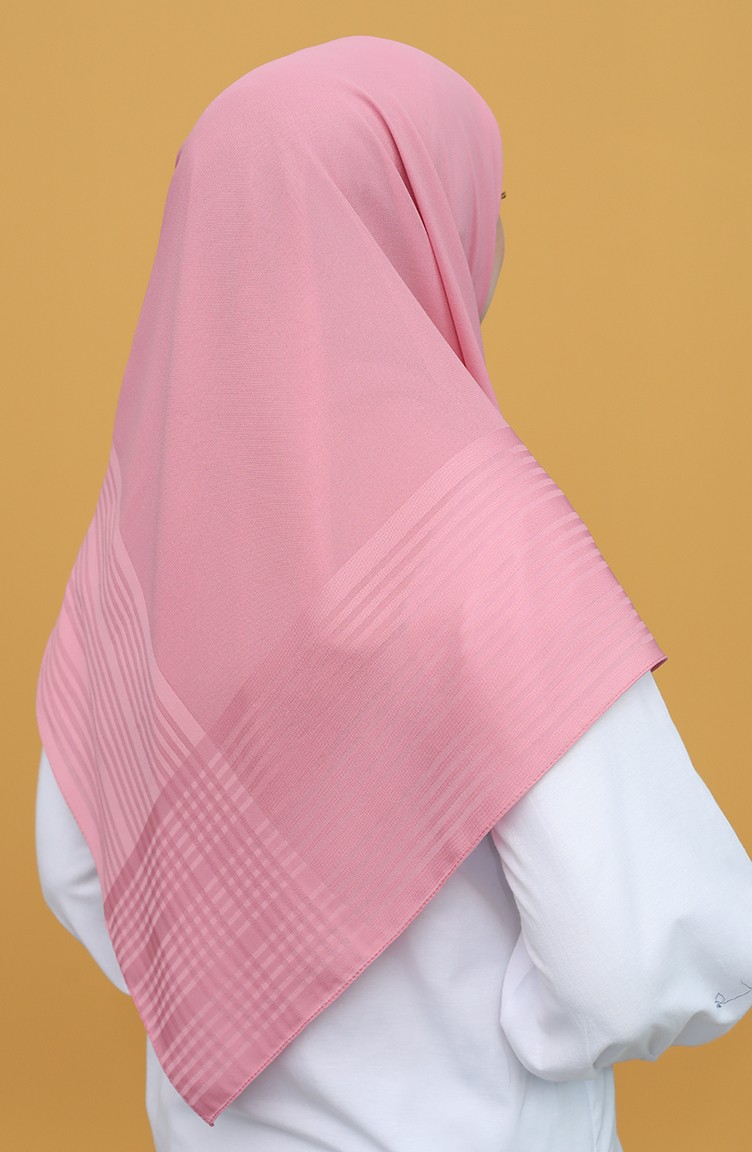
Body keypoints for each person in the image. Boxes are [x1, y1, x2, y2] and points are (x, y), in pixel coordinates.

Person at [34, 34, 752, 1152]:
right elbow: (647, 951)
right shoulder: (486, 539)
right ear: (410, 220)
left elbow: (78, 873)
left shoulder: (137, 549)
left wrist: (248, 1014)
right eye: (482, 201)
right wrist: (504, 1054)